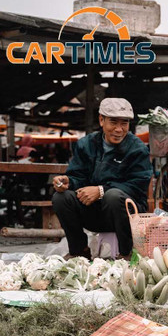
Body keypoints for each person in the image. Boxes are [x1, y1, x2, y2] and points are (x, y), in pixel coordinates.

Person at [51, 98, 152, 260]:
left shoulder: (137, 149)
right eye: (113, 122)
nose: (119, 129)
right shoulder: (86, 144)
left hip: (127, 214)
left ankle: (126, 254)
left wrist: (101, 191)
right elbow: (78, 177)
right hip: (94, 213)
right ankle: (79, 252)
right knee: (61, 197)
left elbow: (137, 186)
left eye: (124, 123)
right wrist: (69, 182)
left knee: (113, 196)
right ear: (101, 120)